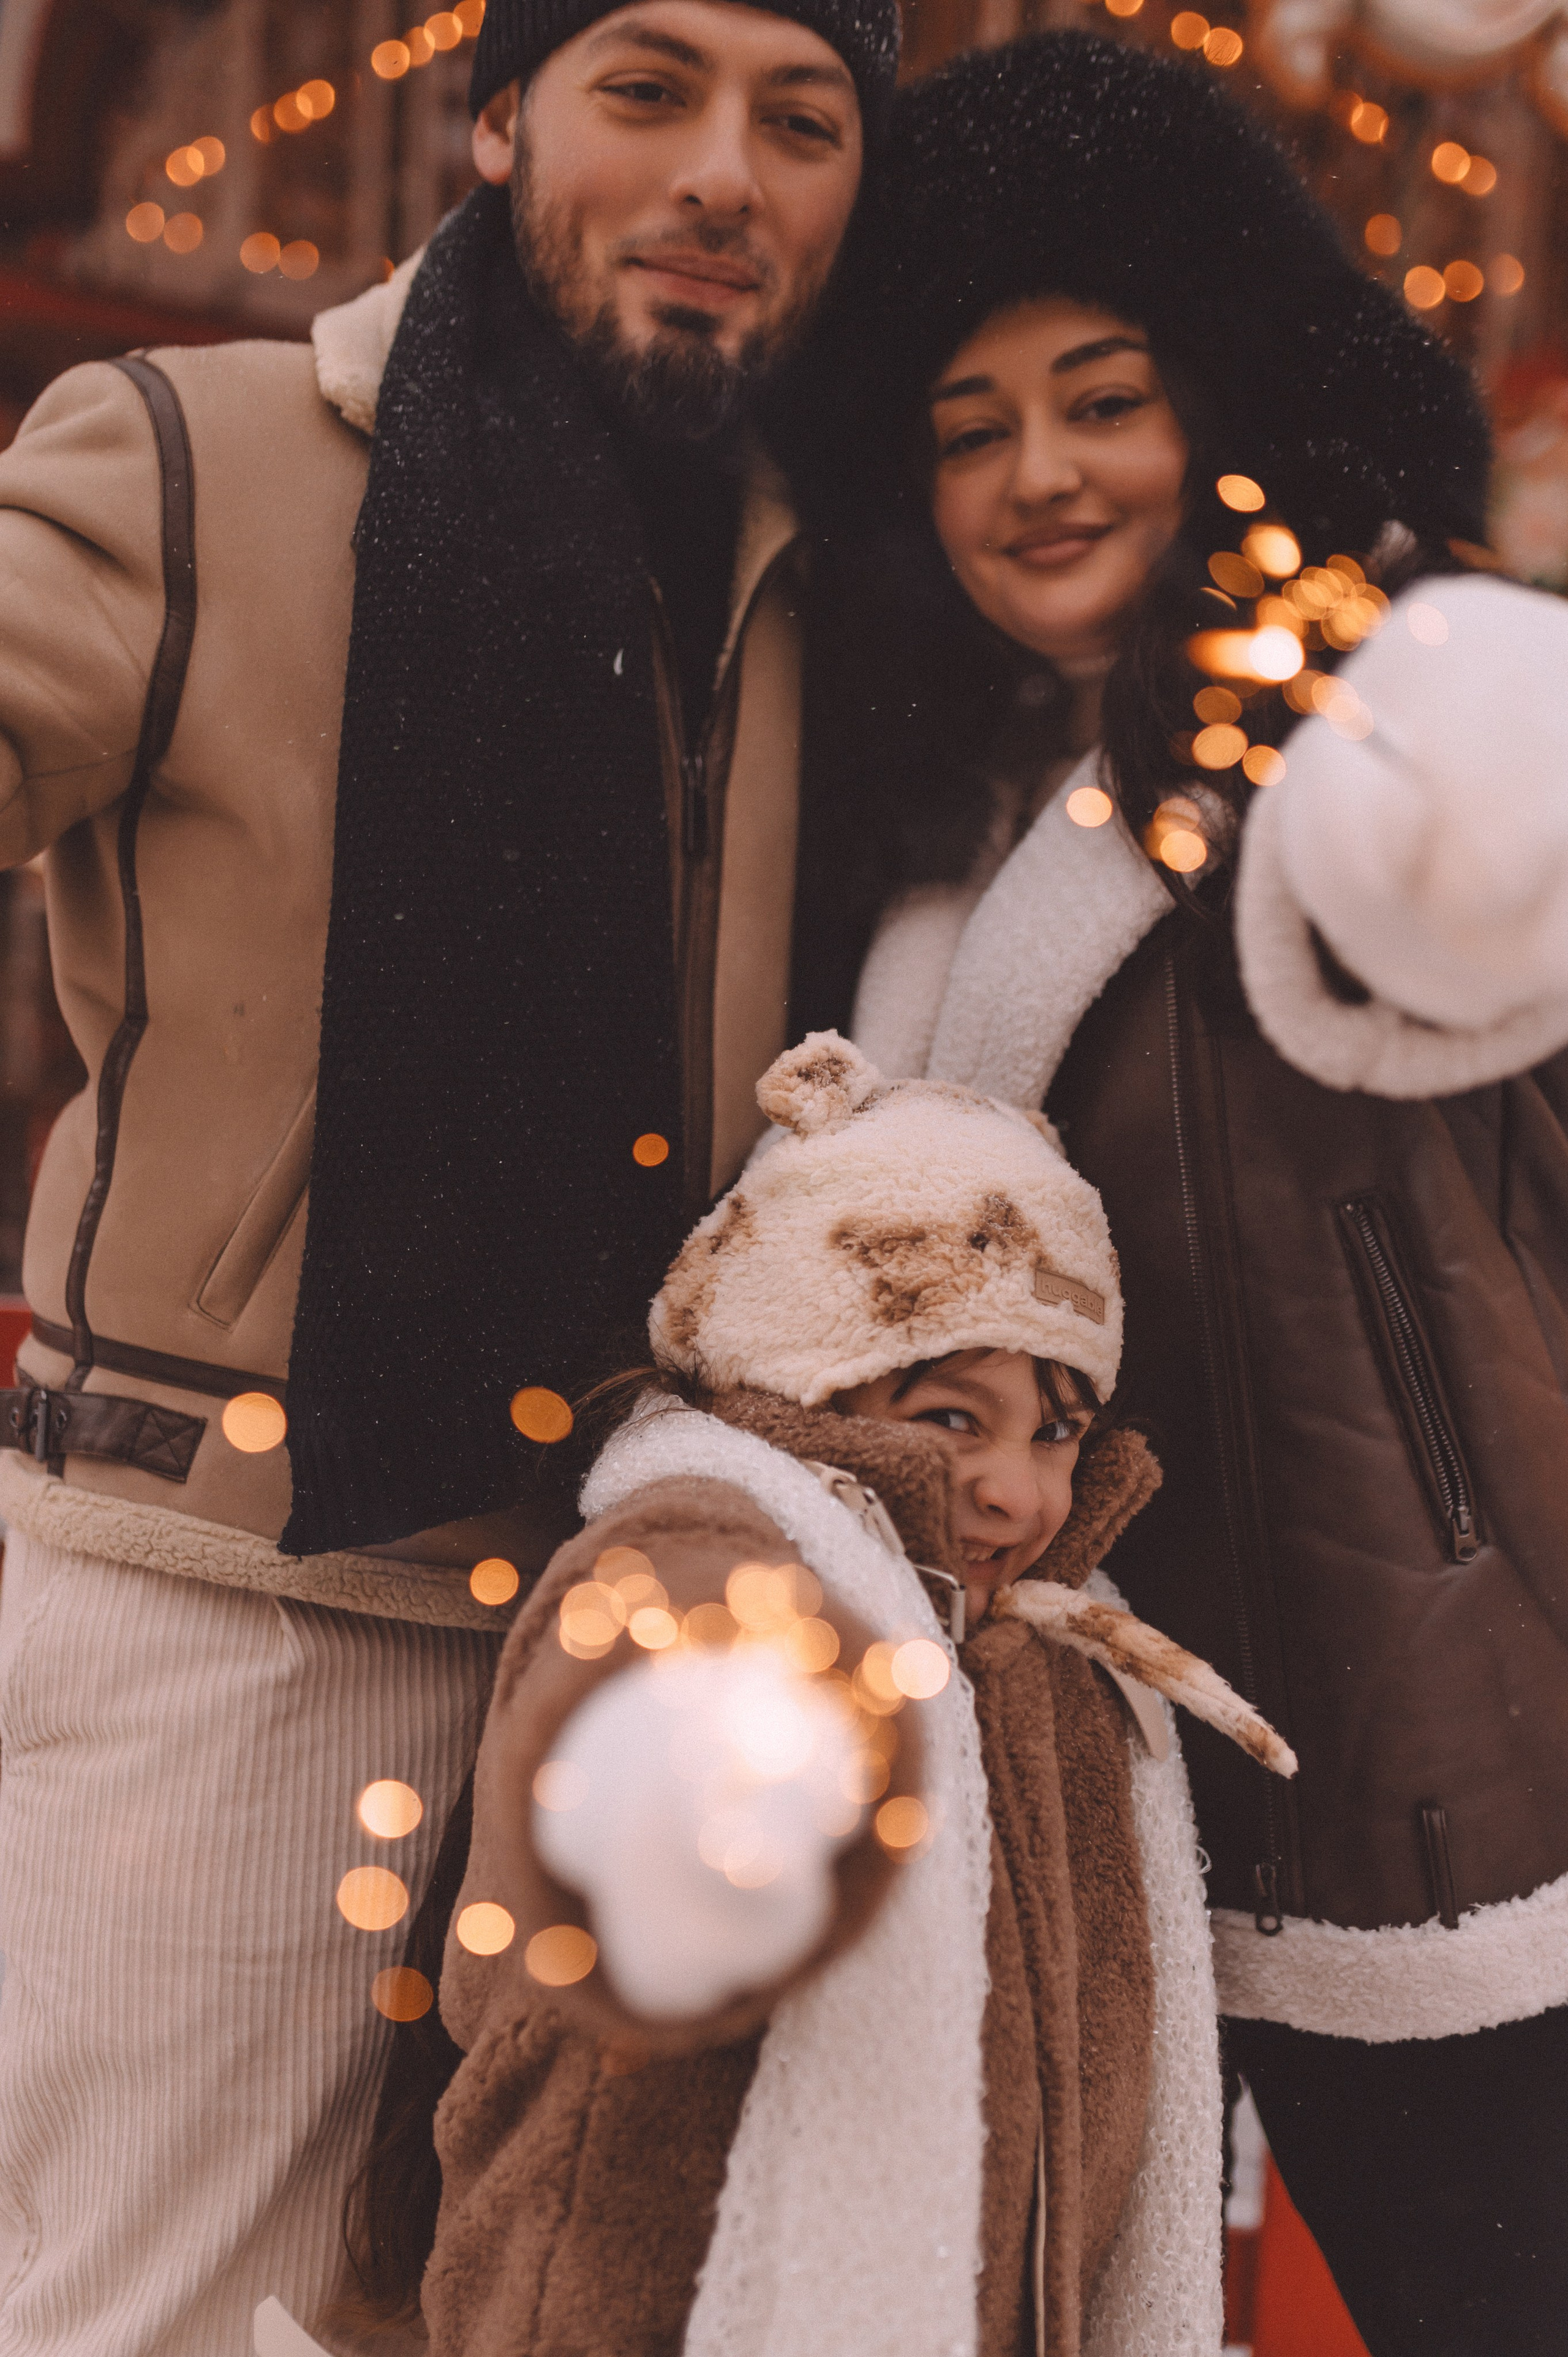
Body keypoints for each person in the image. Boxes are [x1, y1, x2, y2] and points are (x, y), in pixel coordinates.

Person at [0, 0, 895, 2344]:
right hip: (228, 1609)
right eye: (649, 87)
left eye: (800, 122)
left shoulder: (822, 572)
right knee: (162, 2312)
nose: (727, 169)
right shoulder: (193, 454)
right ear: (497, 120)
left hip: (617, 1634)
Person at [820, 32, 1568, 2357]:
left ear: (1224, 406)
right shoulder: (952, 832)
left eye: (1103, 394)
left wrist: (1425, 666)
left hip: (1447, 1797)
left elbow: (1482, 820)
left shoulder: (1321, 733)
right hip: (1114, 1809)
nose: (1039, 472)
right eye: (969, 426)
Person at [413, 1031, 1292, 2357]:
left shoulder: (1053, 1645)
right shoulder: (702, 1538)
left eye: (1055, 1427)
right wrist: (720, 1759)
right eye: (951, 1417)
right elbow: (680, 1653)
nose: (1021, 1489)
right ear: (801, 1381)